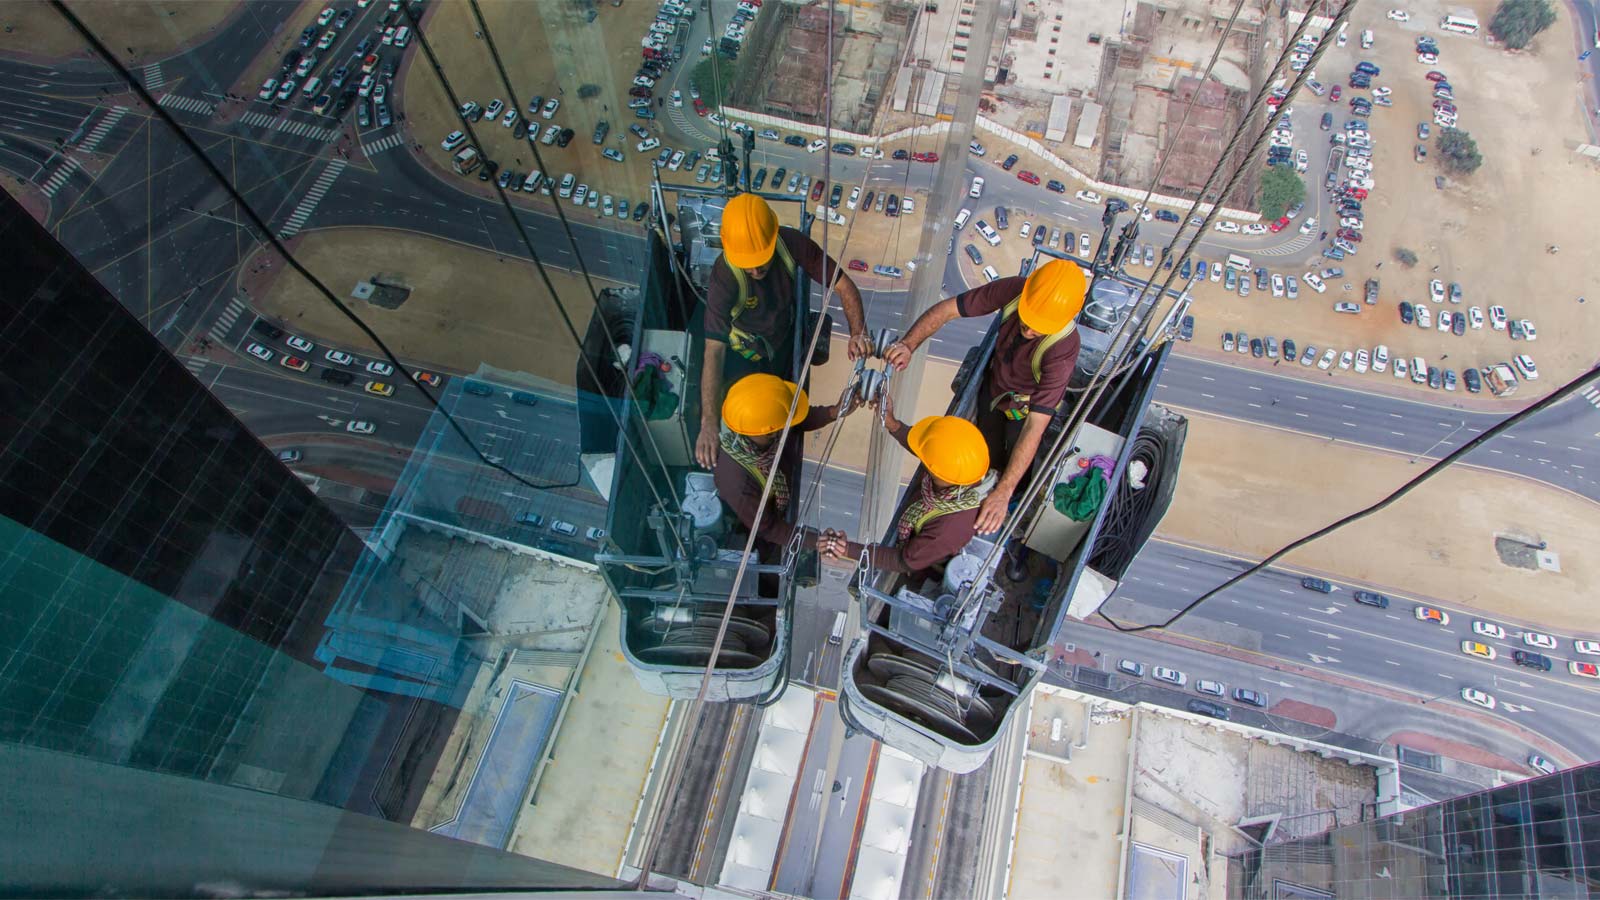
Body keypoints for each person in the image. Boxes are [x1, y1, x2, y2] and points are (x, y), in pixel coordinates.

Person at [882, 259, 1086, 533]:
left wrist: (1003, 493)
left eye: (1039, 326)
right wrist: (908, 344)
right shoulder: (1015, 290)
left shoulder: (1063, 348)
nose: (1028, 329)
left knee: (1017, 463)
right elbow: (947, 309)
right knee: (986, 456)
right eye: (1028, 318)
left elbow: (1035, 427)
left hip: (1024, 411)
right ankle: (987, 488)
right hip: (993, 392)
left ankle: (1011, 497)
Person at [696, 193, 870, 467]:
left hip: (781, 342)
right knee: (753, 422)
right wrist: (709, 422)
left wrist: (858, 332)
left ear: (773, 237)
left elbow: (843, 285)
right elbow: (714, 350)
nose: (755, 269)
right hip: (745, 356)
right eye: (748, 263)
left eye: (761, 259)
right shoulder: (725, 275)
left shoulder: (791, 244)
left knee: (778, 411)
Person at [819, 400, 993, 585]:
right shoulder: (965, 469)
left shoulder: (948, 528)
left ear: (935, 470)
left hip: (922, 570)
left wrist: (846, 550)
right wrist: (893, 424)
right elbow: (930, 452)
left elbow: (903, 560)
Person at [715, 374, 854, 551]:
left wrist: (834, 411)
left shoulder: (757, 425)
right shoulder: (736, 481)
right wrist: (814, 541)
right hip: (758, 535)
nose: (785, 429)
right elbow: (768, 527)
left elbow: (796, 421)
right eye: (782, 427)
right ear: (769, 432)